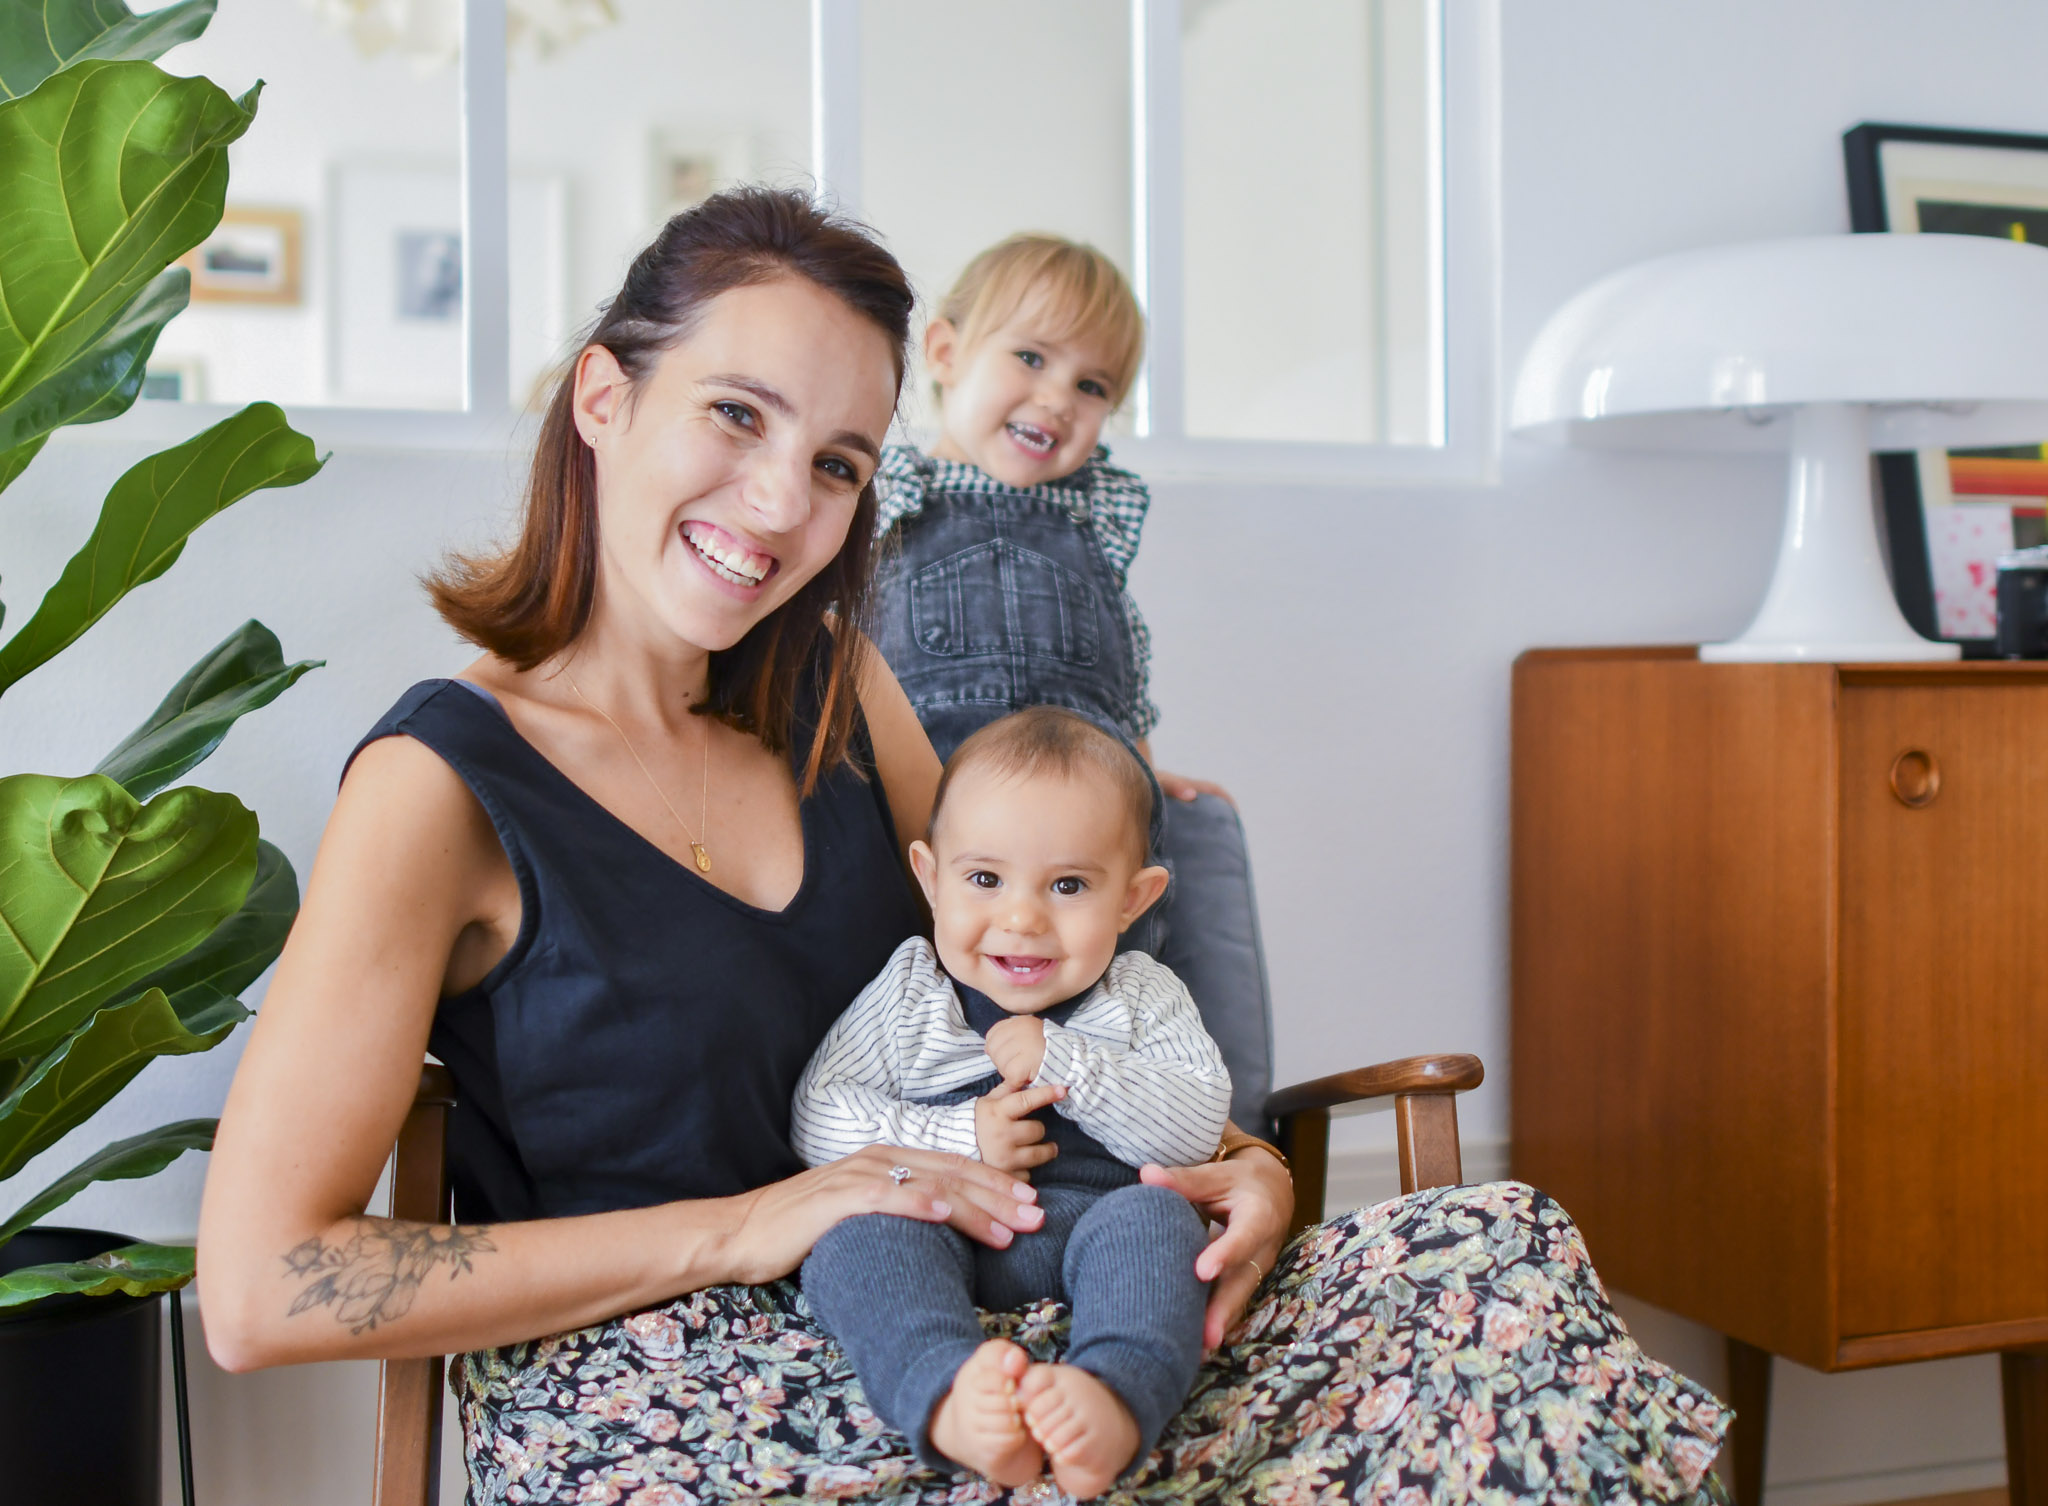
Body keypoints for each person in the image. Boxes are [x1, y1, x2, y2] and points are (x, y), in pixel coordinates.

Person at [197, 188, 1726, 1505]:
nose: (781, 503)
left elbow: (1042, 965)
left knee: (1488, 1261)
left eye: (843, 460)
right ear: (606, 398)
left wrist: (1245, 1167)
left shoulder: (839, 692)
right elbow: (261, 1289)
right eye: (737, 413)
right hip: (678, 1388)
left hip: (1006, 1302)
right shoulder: (442, 783)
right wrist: (746, 1227)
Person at [869, 235, 1275, 1135]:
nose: (1058, 397)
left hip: (1083, 821)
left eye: (1093, 387)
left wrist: (1140, 768)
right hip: (939, 817)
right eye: (1030, 358)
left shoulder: (1093, 521)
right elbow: (846, 655)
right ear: (944, 354)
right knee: (915, 983)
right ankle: (943, 1126)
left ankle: (1143, 1124)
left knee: (1123, 974)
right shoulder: (888, 497)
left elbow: (1118, 667)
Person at [795, 707, 1229, 1497]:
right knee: (857, 1239)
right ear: (930, 877)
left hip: (1097, 1231)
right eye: (985, 879)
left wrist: (1065, 1059)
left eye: (1068, 885)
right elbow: (819, 1115)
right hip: (944, 1227)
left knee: (1164, 1222)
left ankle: (1113, 1395)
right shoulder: (911, 991)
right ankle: (951, 1394)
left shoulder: (1141, 993)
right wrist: (963, 1135)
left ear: (1134, 899)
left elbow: (1200, 1125)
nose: (1022, 919)